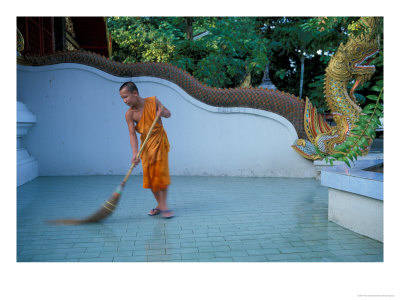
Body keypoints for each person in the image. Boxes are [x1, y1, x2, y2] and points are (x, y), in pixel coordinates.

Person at [119, 81, 174, 218]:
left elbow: (169, 114)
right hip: (146, 146)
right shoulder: (129, 114)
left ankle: (163, 206)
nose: (124, 101)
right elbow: (132, 135)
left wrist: (162, 112)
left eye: (126, 96)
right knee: (150, 178)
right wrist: (134, 153)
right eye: (122, 98)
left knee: (160, 174)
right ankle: (160, 205)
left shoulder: (153, 101)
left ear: (135, 93)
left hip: (159, 141)